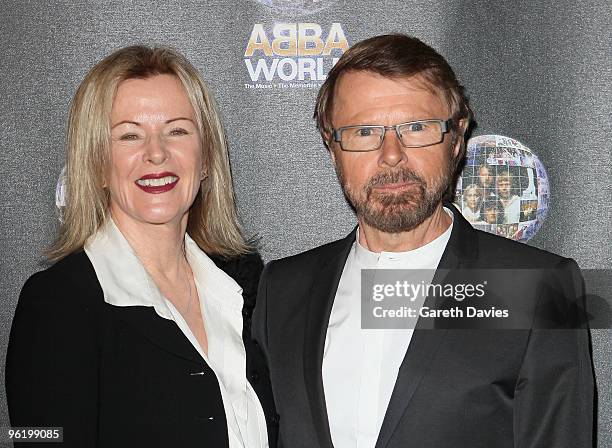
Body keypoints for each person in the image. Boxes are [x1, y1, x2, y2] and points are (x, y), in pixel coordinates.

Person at [252, 34, 593, 447]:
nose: (391, 154)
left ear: (457, 138)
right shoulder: (284, 289)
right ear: (332, 145)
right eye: (363, 131)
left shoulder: (535, 290)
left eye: (416, 127)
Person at [6, 46, 276, 447]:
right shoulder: (55, 303)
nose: (156, 153)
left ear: (205, 160)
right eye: (130, 134)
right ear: (97, 162)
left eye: (177, 130)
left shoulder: (243, 289)